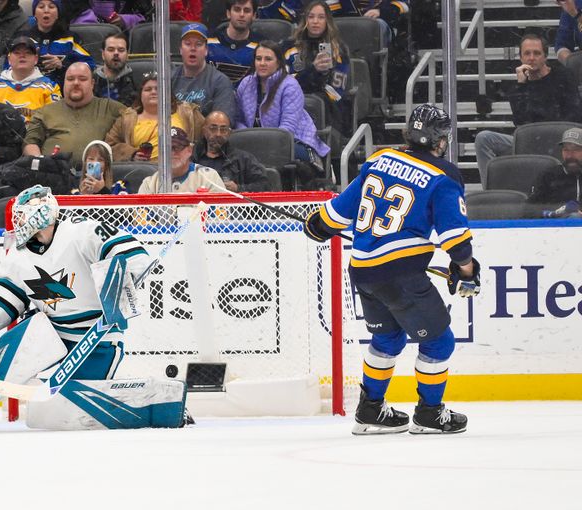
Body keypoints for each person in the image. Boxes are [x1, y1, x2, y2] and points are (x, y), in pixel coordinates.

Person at [0, 185, 189, 432]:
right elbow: (0, 303)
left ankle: (162, 401)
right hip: (49, 336)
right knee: (6, 355)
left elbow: (130, 253)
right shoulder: (19, 257)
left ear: (40, 213)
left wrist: (126, 274)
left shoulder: (81, 232)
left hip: (97, 341)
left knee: (46, 414)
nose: (17, 220)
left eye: (22, 213)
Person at [303, 104, 480, 435]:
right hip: (400, 275)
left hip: (364, 271)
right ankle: (429, 413)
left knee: (386, 336)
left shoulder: (379, 161)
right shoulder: (444, 177)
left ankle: (370, 410)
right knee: (439, 342)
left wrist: (316, 225)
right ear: (441, 139)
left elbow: (332, 217)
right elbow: (455, 240)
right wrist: (467, 269)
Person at [475, 34, 582, 187]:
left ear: (545, 56)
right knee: (484, 138)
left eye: (537, 53)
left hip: (560, 141)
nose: (532, 58)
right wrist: (522, 86)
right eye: (527, 53)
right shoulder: (519, 86)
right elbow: (521, 122)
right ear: (521, 58)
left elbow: (574, 115)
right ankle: (491, 191)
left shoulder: (563, 76)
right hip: (530, 143)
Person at [235, 40, 330, 165]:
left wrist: (259, 143)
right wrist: (247, 138)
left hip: (293, 141)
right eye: (258, 59)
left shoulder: (290, 85)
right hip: (253, 143)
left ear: (278, 62)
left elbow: (288, 128)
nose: (262, 63)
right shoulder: (246, 83)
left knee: (269, 155)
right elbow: (238, 119)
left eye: (268, 59)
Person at [23, 62, 125, 167]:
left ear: (92, 83)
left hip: (97, 176)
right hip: (54, 175)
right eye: (70, 79)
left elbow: (138, 123)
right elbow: (30, 142)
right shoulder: (45, 112)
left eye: (82, 79)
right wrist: (41, 163)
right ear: (64, 82)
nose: (76, 83)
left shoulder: (112, 108)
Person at [283, 0, 351, 137]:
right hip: (292, 102)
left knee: (317, 103)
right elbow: (285, 83)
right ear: (305, 19)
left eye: (321, 17)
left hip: (328, 109)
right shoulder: (288, 47)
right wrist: (313, 70)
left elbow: (337, 91)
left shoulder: (339, 49)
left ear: (328, 20)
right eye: (311, 16)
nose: (315, 21)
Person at [105, 71, 204, 162]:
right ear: (140, 95)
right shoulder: (126, 118)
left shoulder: (187, 112)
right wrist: (131, 154)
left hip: (180, 168)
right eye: (148, 89)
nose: (153, 92)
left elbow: (208, 133)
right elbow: (109, 147)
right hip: (142, 171)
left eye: (158, 89)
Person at [171, 23, 237, 124]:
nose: (193, 48)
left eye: (198, 44)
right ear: (180, 49)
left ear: (206, 50)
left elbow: (222, 125)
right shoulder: (168, 79)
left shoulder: (220, 82)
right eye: (188, 44)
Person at [192, 110, 272, 192]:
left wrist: (239, 188)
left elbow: (264, 185)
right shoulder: (190, 157)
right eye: (213, 128)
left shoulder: (243, 159)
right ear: (204, 131)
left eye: (223, 129)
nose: (218, 134)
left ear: (229, 133)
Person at [22, 0, 96, 87]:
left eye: (51, 7)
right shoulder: (23, 38)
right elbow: (8, 66)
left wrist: (63, 65)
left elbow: (89, 65)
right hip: (27, 92)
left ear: (58, 14)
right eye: (41, 7)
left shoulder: (70, 39)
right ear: (34, 13)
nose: (46, 10)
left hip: (63, 93)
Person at [0, 35, 61, 122]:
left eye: (28, 53)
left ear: (36, 59)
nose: (22, 56)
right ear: (9, 59)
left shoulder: (50, 88)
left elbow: (56, 122)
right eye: (17, 52)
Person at [138, 126, 225, 194]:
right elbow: (142, 215)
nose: (171, 153)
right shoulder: (149, 184)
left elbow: (221, 214)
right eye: (166, 148)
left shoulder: (209, 177)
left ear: (189, 150)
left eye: (177, 147)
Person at [526, 127, 582, 219]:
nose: (570, 155)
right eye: (566, 150)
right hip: (553, 229)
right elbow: (528, 211)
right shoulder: (549, 176)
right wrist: (553, 214)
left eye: (576, 150)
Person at [207, 0, 263, 86]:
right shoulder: (208, 41)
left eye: (247, 11)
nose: (241, 14)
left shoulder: (262, 47)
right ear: (228, 13)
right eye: (237, 9)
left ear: (254, 15)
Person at [325, 0, 410, 46]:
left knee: (376, 26)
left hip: (382, 27)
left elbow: (404, 5)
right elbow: (328, 11)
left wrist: (381, 11)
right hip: (348, 30)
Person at [93, 33, 136, 106]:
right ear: (103, 54)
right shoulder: (91, 80)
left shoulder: (137, 81)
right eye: (111, 50)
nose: (116, 53)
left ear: (127, 55)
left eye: (121, 50)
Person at [555, 0, 582, 65]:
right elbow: (561, 45)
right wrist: (570, 61)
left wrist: (576, 15)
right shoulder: (575, 4)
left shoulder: (573, 10)